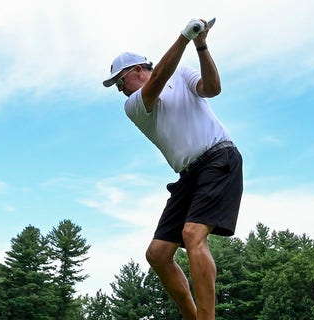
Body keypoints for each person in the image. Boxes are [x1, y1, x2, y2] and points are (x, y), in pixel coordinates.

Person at [102, 19, 243, 320]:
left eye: (120, 82)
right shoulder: (134, 105)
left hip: (219, 158)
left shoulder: (182, 73)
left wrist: (201, 45)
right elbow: (158, 80)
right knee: (158, 254)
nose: (120, 90)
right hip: (188, 175)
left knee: (193, 234)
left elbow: (212, 88)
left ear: (137, 71)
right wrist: (184, 37)